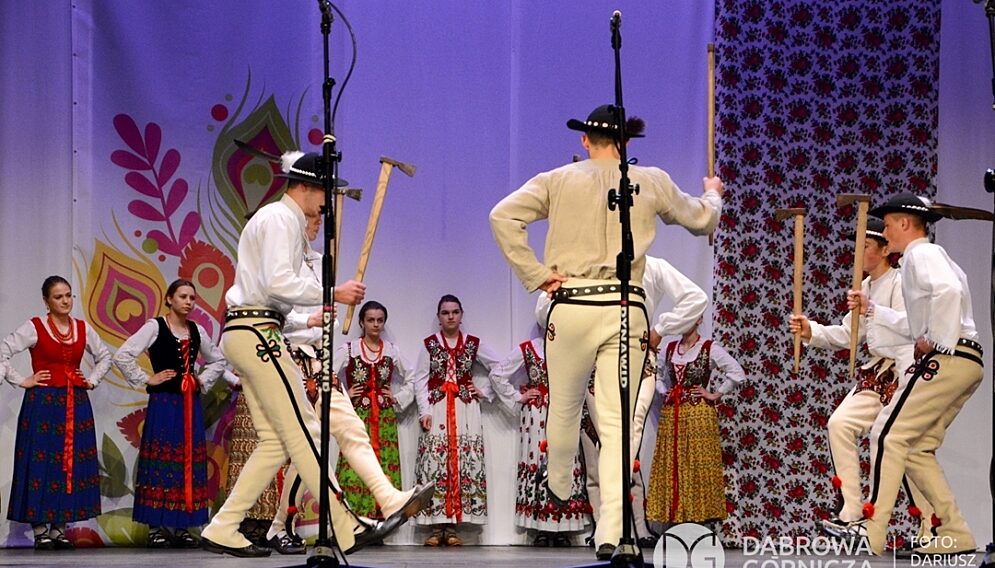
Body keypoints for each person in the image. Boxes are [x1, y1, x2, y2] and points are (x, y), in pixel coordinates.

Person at [490, 104, 722, 560]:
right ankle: (611, 530)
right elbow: (702, 220)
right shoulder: (648, 179)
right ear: (626, 143)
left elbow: (502, 215)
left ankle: (560, 481)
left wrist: (535, 273)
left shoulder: (557, 179)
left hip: (573, 303)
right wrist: (712, 194)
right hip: (625, 306)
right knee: (616, 424)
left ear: (584, 141)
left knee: (565, 404)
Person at [199, 151, 432, 558]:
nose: (327, 204)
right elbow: (276, 282)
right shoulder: (279, 219)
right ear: (305, 186)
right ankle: (344, 525)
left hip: (254, 328)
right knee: (306, 430)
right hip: (257, 329)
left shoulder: (284, 222)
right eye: (325, 192)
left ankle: (223, 525)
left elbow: (278, 285)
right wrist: (332, 293)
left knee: (275, 442)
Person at [840, 194, 983, 556]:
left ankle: (872, 527)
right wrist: (875, 311)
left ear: (905, 223)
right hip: (967, 360)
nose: (885, 234)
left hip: (949, 356)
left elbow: (948, 295)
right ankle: (956, 532)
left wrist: (935, 341)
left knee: (886, 433)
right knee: (917, 446)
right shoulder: (932, 256)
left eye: (887, 225)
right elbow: (919, 322)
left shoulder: (921, 253)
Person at [537, 255, 709, 548]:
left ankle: (611, 526)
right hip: (598, 364)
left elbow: (696, 297)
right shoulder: (582, 265)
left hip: (639, 359)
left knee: (629, 433)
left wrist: (660, 329)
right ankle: (609, 524)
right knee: (607, 441)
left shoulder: (651, 265)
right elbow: (544, 309)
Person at [787, 218, 933, 541]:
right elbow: (848, 334)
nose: (858, 254)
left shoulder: (899, 281)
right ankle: (852, 512)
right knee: (839, 423)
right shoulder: (864, 288)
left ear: (884, 250)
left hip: (904, 367)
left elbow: (910, 326)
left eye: (865, 246)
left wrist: (872, 308)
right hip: (877, 370)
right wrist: (811, 329)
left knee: (903, 447)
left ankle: (930, 526)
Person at [113, 278, 229, 548]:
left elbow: (218, 359)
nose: (188, 302)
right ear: (169, 299)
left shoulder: (196, 330)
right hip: (165, 402)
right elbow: (123, 355)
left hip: (189, 403)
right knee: (163, 459)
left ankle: (183, 525)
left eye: (192, 298)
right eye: (183, 297)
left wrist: (201, 380)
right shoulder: (156, 326)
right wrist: (147, 379)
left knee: (187, 459)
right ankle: (157, 527)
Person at [0, 275, 112, 550]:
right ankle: (39, 528)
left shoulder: (82, 328)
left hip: (75, 403)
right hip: (43, 404)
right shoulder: (35, 327)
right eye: (58, 296)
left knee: (69, 462)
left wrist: (92, 380)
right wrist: (21, 379)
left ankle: (59, 527)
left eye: (68, 295)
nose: (65, 301)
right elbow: (4, 350)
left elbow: (105, 356)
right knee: (41, 461)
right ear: (46, 302)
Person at [412, 294, 518, 546]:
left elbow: (500, 366)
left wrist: (486, 392)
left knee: (461, 461)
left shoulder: (472, 344)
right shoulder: (429, 345)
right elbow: (420, 380)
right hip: (437, 409)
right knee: (435, 463)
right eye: (446, 313)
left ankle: (453, 528)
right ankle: (437, 526)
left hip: (464, 409)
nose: (450, 316)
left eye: (455, 312)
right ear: (439, 317)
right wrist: (424, 411)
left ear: (461, 315)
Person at [491, 321, 590, 547]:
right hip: (536, 415)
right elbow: (497, 374)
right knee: (538, 461)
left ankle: (562, 525)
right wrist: (518, 396)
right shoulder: (528, 348)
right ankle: (541, 526)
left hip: (563, 410)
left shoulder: (572, 346)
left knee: (564, 461)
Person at [645, 315, 745, 526]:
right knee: (674, 462)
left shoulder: (709, 348)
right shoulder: (670, 348)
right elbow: (658, 377)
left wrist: (715, 393)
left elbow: (737, 373)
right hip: (673, 414)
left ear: (699, 320)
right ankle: (676, 517)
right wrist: (666, 392)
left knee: (698, 463)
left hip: (699, 414)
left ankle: (698, 517)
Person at [332, 300, 417, 520]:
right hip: (358, 416)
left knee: (383, 463)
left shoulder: (391, 351)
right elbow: (327, 374)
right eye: (371, 320)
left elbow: (413, 377)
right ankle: (352, 518)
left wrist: (397, 398)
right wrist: (344, 395)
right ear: (362, 322)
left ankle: (382, 516)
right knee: (355, 461)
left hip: (384, 419)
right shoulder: (350, 349)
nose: (376, 324)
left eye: (380, 320)